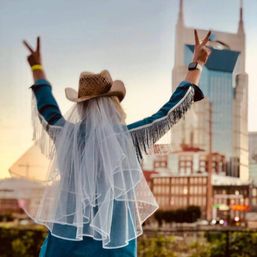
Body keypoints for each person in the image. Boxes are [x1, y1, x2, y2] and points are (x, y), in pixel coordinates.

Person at [22, 29, 211, 257]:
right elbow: (169, 113)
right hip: (114, 248)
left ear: (81, 107)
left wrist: (37, 69)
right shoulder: (130, 139)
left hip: (64, 245)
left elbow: (47, 109)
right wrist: (196, 66)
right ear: (114, 104)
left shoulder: (65, 136)